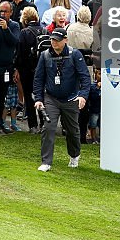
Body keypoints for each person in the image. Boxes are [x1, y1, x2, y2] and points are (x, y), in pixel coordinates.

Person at [33, 26, 91, 171]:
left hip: (71, 98)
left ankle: (74, 155)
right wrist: (38, 99)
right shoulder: (45, 55)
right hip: (51, 98)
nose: (54, 43)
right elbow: (38, 79)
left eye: (57, 40)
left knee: (72, 130)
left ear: (65, 40)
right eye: (52, 39)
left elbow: (85, 77)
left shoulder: (75, 55)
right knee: (48, 127)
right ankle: (46, 162)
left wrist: (83, 96)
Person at [0, 0, 21, 133]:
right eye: (0, 11)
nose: (2, 14)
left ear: (11, 13)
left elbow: (14, 42)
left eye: (5, 12)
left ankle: (0, 123)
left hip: (7, 68)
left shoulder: (14, 26)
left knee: (4, 97)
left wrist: (5, 29)